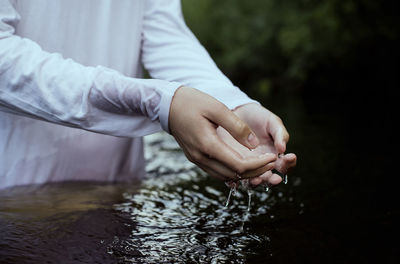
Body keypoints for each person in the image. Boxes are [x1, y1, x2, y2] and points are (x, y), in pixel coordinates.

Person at [0, 0, 296, 190]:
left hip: (117, 188)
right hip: (14, 195)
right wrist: (159, 103)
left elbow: (163, 33)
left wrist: (231, 109)